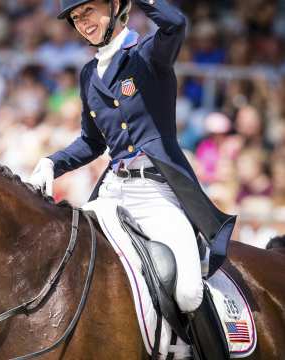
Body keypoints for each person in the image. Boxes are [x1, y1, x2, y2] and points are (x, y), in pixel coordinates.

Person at [28, 1, 235, 358]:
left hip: (157, 191)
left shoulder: (146, 55)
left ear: (116, 7)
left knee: (188, 291)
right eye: (77, 19)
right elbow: (93, 142)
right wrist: (52, 162)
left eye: (89, 11)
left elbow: (175, 24)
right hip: (112, 190)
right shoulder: (88, 75)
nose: (83, 23)